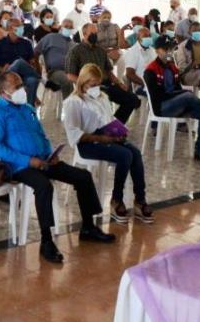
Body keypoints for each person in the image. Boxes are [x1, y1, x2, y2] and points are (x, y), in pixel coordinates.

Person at [0, 72, 115, 264]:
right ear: (4, 91)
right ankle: (46, 241)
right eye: (16, 87)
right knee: (44, 186)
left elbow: (41, 135)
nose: (22, 89)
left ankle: (88, 226)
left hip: (43, 160)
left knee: (83, 176)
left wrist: (50, 154)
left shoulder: (27, 108)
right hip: (18, 166)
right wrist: (29, 161)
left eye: (21, 84)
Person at [64, 64, 154, 223]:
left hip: (106, 135)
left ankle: (140, 199)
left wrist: (119, 131)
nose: (96, 88)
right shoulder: (74, 102)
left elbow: (109, 119)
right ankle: (116, 200)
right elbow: (74, 134)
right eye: (93, 85)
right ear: (83, 83)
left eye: (98, 84)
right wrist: (101, 139)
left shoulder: (102, 97)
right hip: (87, 142)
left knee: (135, 153)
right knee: (125, 155)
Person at [144, 36, 200, 160]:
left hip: (177, 104)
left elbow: (177, 88)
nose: (169, 52)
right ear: (157, 51)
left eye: (171, 49)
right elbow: (156, 97)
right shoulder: (151, 70)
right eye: (166, 49)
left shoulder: (172, 67)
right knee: (187, 95)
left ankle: (199, 150)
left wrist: (180, 94)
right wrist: (181, 94)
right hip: (161, 107)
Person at [67, 23, 141, 124]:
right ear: (84, 34)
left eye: (96, 33)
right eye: (92, 33)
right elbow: (70, 75)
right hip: (89, 87)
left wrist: (119, 83)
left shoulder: (100, 50)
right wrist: (85, 83)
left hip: (106, 84)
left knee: (133, 100)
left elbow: (108, 71)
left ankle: (115, 126)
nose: (95, 35)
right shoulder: (75, 51)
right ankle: (107, 128)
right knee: (103, 102)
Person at [0, 18, 42, 102]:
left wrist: (32, 66)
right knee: (18, 62)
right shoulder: (0, 44)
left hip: (23, 74)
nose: (21, 28)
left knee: (32, 80)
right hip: (7, 74)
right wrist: (2, 69)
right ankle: (43, 81)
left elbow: (32, 61)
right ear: (9, 29)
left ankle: (30, 107)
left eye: (21, 26)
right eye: (18, 26)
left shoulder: (26, 43)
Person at [34, 18, 76, 99]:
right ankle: (69, 106)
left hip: (71, 72)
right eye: (66, 26)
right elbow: (36, 52)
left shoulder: (74, 45)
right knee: (67, 80)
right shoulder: (51, 37)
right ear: (61, 27)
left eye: (71, 27)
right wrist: (38, 70)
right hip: (54, 71)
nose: (68, 29)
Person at [173, 22, 200, 89]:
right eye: (194, 31)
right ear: (189, 32)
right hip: (188, 74)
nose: (197, 32)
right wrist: (191, 66)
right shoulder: (182, 46)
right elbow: (181, 67)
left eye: (199, 30)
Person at [122, 27, 156, 91]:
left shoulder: (152, 50)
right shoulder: (132, 52)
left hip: (156, 82)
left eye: (149, 36)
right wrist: (146, 84)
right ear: (138, 38)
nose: (148, 38)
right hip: (142, 86)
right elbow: (129, 74)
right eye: (145, 36)